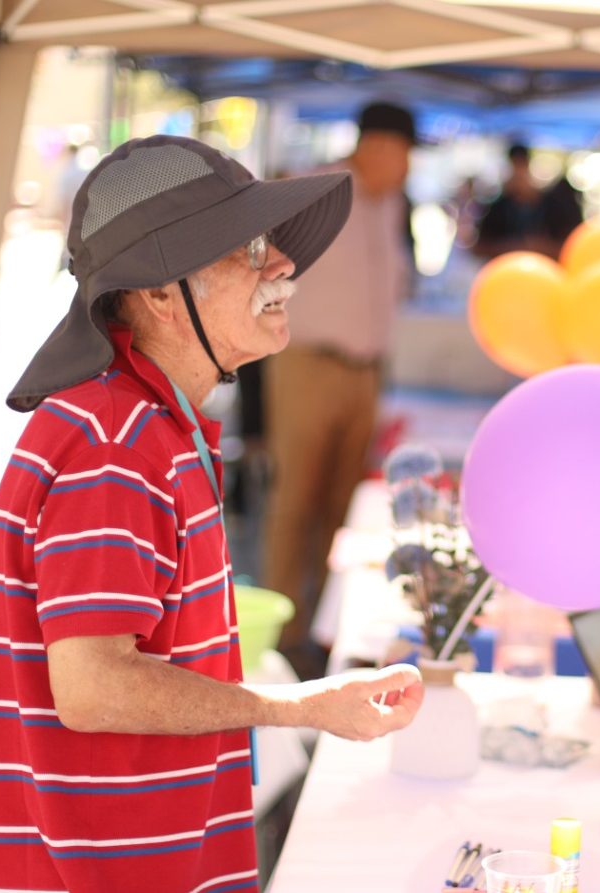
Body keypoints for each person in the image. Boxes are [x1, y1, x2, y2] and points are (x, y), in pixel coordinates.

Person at [0, 135, 423, 893]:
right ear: (156, 291)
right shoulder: (114, 442)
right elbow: (93, 687)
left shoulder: (150, 423)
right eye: (248, 248)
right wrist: (299, 704)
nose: (282, 265)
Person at [263, 101, 418, 679]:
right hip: (307, 363)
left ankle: (328, 625)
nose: (405, 169)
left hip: (364, 371)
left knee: (343, 506)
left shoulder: (390, 203)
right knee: (295, 500)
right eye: (402, 155)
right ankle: (283, 633)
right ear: (379, 146)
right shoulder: (313, 192)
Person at [473, 143, 550, 258]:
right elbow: (479, 246)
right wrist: (509, 247)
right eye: (515, 165)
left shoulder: (547, 204)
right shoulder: (498, 207)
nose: (518, 173)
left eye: (521, 165)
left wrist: (540, 246)